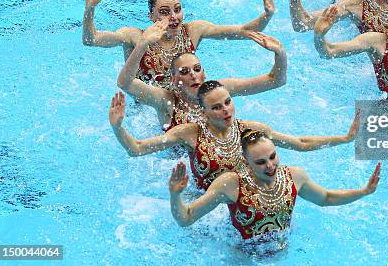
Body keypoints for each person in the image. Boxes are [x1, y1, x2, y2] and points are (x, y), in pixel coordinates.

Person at [108, 81, 359, 190]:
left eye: (227, 102)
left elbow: (300, 143)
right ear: (203, 112)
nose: (225, 109)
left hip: (241, 201)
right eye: (216, 107)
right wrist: (118, 128)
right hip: (206, 199)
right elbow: (137, 149)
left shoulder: (250, 130)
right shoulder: (190, 132)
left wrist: (344, 139)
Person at [168, 128, 381, 241]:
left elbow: (326, 198)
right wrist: (175, 195)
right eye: (260, 162)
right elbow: (185, 219)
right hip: (242, 256)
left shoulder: (294, 176)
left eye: (272, 157)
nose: (270, 166)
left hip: (282, 250)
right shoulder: (230, 185)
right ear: (246, 163)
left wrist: (363, 191)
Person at [83, 0, 275, 89]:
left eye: (177, 9)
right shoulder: (134, 36)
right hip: (147, 108)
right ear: (151, 16)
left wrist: (267, 15)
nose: (174, 17)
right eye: (165, 12)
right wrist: (90, 8)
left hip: (184, 99)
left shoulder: (193, 30)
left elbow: (245, 31)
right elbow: (91, 40)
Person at [117, 20, 287, 131]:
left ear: (204, 73)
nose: (193, 75)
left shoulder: (219, 90)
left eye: (197, 69)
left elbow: (275, 81)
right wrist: (143, 44)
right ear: (174, 80)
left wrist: (280, 53)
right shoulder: (165, 100)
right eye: (184, 72)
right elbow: (125, 83)